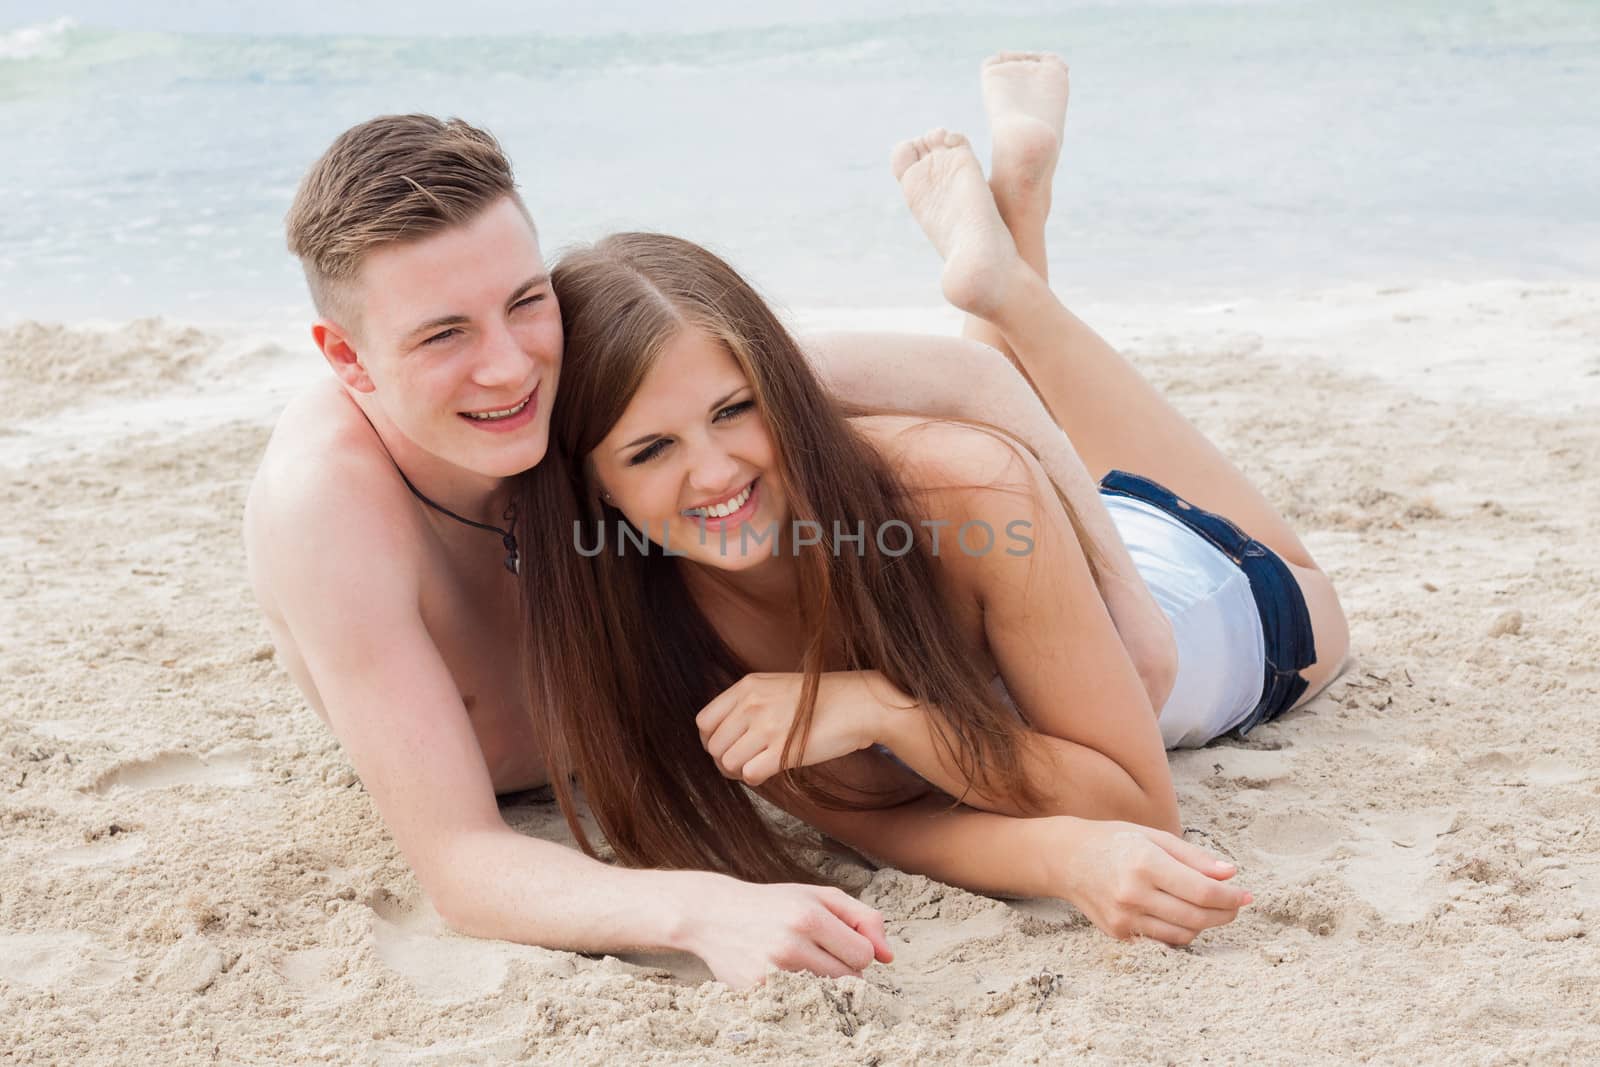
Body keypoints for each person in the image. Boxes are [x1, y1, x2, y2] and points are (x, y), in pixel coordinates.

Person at [244, 55, 1199, 988]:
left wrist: (1132, 605)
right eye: (444, 333)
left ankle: (1009, 256)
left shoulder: (593, 373)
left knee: (936, 474)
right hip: (579, 766)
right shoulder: (329, 507)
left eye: (523, 300)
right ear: (349, 358)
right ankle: (1010, 236)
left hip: (969, 614)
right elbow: (460, 861)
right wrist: (703, 908)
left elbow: (966, 383)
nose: (509, 366)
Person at [518, 63, 1350, 951]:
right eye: (650, 449)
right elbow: (888, 823)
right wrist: (1059, 857)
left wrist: (885, 710)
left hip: (1219, 587)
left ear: (783, 390)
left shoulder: (968, 488)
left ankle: (1016, 288)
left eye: (735, 409)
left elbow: (1135, 806)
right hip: (1030, 565)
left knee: (1314, 596)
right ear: (594, 480)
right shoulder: (650, 611)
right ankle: (1007, 240)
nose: (716, 472)